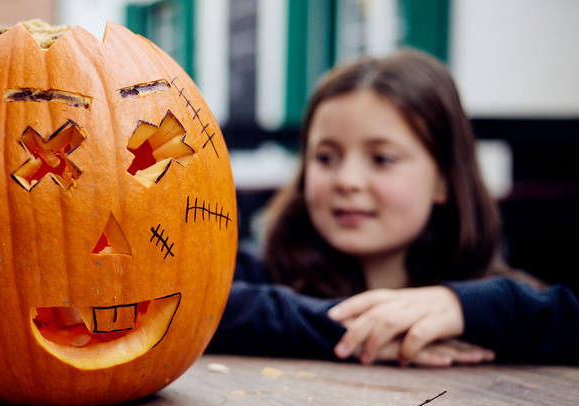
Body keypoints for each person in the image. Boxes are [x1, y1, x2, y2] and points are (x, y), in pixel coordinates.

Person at [208, 49, 579, 366]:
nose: (347, 180)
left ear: (444, 179)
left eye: (382, 158)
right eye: (326, 157)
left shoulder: (497, 298)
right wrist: (339, 329)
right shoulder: (261, 271)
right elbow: (189, 307)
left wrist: (468, 308)